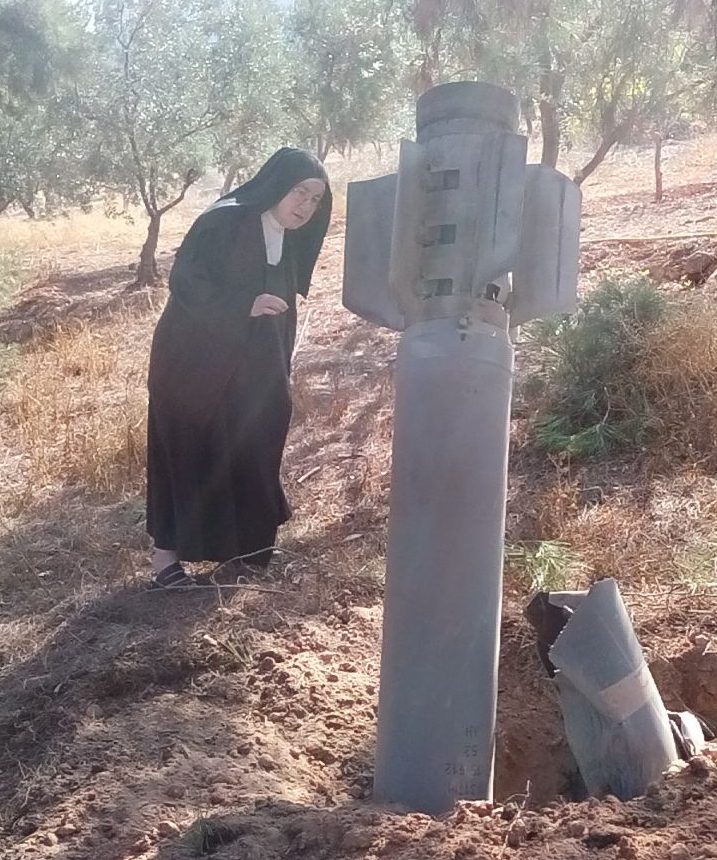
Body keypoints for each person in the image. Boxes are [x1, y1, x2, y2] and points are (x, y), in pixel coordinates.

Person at [145, 148, 332, 588]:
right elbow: (185, 282)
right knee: (187, 453)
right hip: (192, 367)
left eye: (315, 199)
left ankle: (244, 553)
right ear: (276, 185)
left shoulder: (287, 237)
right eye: (299, 192)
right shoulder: (224, 221)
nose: (305, 206)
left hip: (254, 369)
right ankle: (165, 561)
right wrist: (242, 304)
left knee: (253, 446)